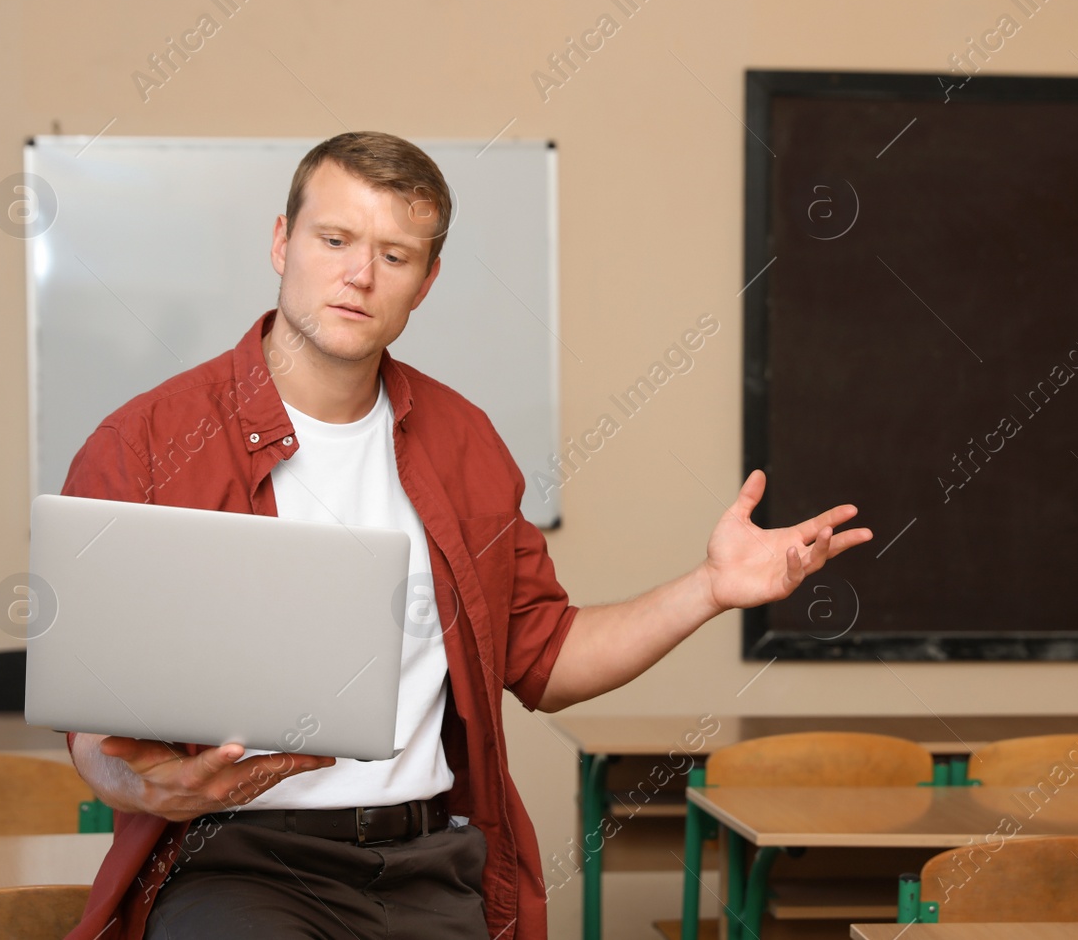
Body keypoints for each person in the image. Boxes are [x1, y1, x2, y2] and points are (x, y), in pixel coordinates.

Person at [60, 132, 872, 939]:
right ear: (282, 240)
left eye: (395, 255)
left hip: (422, 866)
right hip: (237, 865)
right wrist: (140, 787)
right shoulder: (146, 445)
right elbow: (93, 715)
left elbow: (546, 658)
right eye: (334, 239)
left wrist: (709, 587)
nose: (358, 275)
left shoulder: (463, 441)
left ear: (426, 280)